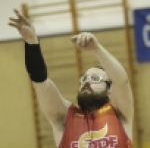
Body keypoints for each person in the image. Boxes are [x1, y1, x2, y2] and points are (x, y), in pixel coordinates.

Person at [9, 9, 133, 148]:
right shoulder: (64, 117)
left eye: (95, 78)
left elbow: (121, 81)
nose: (87, 81)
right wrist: (31, 42)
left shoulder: (120, 112)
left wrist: (96, 49)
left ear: (110, 90)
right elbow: (40, 81)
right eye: (84, 78)